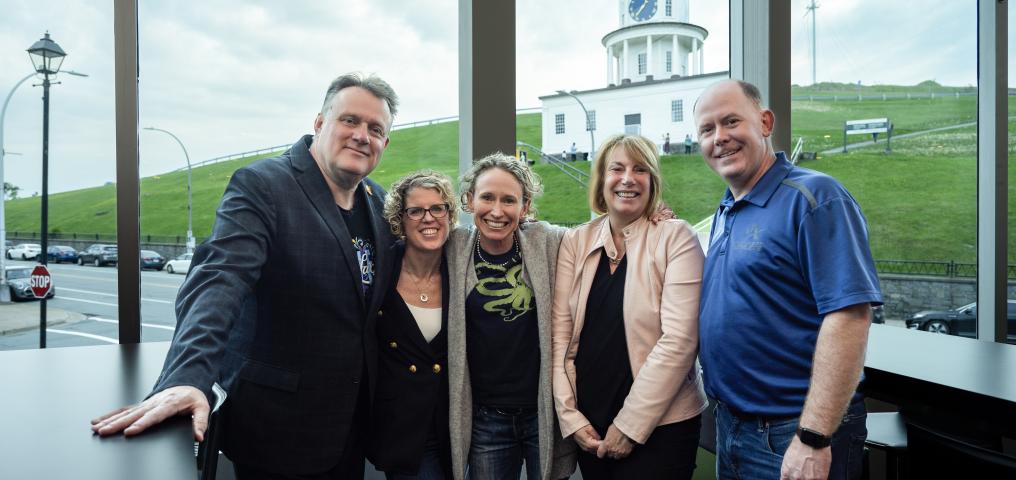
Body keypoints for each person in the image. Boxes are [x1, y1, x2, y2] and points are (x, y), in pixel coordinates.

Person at [91, 72, 400, 479]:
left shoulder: (378, 202)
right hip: (278, 432)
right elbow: (219, 279)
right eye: (350, 121)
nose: (362, 135)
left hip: (352, 430)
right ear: (320, 123)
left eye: (375, 129)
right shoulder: (264, 185)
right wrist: (188, 378)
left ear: (384, 143)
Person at [693, 79, 882, 480]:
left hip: (793, 434)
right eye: (707, 130)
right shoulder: (728, 208)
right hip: (733, 428)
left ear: (764, 122)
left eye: (731, 122)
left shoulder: (815, 197)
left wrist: (813, 437)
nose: (720, 138)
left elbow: (849, 318)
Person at [551, 134, 706, 479]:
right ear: (601, 180)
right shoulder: (576, 241)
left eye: (640, 169)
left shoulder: (677, 238)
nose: (627, 178)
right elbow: (559, 341)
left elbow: (679, 341)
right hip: (591, 427)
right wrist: (570, 417)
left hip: (663, 428)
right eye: (616, 168)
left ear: (652, 180)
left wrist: (631, 426)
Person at [446, 153, 577, 480]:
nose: (496, 210)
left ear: (525, 205)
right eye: (487, 197)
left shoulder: (546, 240)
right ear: (469, 199)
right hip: (487, 420)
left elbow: (601, 233)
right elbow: (411, 231)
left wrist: (655, 216)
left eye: (509, 200)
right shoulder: (454, 248)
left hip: (542, 415)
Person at [370, 170, 457, 480]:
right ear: (400, 219)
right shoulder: (380, 269)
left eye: (437, 208)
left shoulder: (461, 267)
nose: (428, 218)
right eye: (416, 210)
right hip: (404, 429)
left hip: (459, 427)